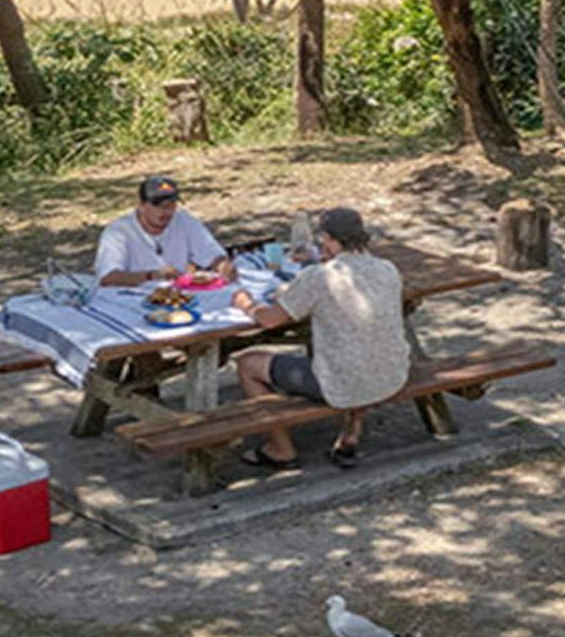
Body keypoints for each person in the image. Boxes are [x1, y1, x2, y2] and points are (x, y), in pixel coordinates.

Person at [230, 205, 407, 470]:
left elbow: (269, 320)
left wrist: (245, 303)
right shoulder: (388, 269)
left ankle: (280, 449)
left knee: (248, 363)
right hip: (393, 374)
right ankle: (351, 433)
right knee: (362, 344)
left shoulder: (321, 277)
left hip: (346, 381)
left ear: (328, 240)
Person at [94, 175, 232, 287]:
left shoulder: (184, 221)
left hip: (178, 297)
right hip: (130, 300)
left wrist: (222, 265)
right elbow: (108, 277)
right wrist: (151, 276)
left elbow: (213, 255)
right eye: (158, 206)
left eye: (171, 205)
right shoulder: (119, 231)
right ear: (141, 205)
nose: (165, 212)